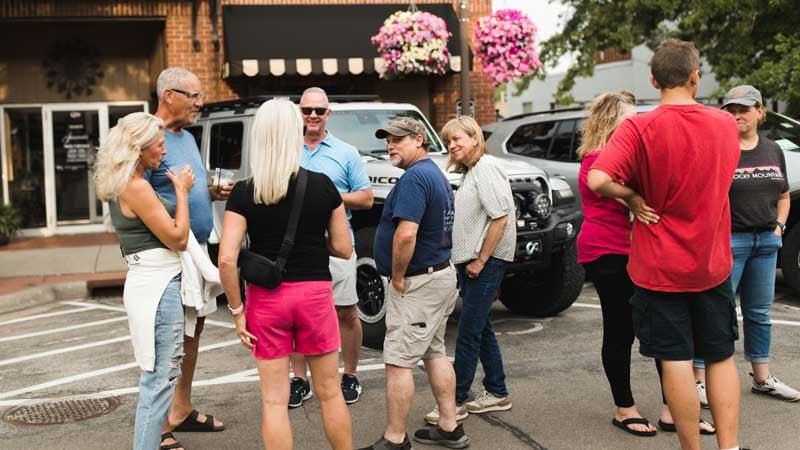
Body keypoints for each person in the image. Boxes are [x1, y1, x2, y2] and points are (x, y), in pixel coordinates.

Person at [587, 38, 744, 450]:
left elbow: (597, 179)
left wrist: (633, 198)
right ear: (695, 76)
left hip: (658, 268)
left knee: (675, 358)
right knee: (720, 356)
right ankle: (728, 446)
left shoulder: (639, 127)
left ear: (654, 79)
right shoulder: (725, 123)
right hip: (712, 262)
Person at [218, 99, 353, 450]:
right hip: (314, 294)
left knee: (275, 401)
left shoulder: (245, 192)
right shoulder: (323, 186)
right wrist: (309, 240)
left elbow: (227, 258)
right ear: (296, 133)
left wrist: (236, 311)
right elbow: (344, 248)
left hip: (267, 299)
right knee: (329, 391)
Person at [359, 117, 468, 450]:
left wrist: (397, 276)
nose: (391, 144)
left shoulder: (415, 179)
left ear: (419, 140)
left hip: (420, 281)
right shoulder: (432, 173)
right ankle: (450, 428)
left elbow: (407, 233)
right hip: (439, 276)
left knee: (397, 361)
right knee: (434, 352)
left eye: (398, 139)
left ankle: (395, 438)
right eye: (388, 139)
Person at [691, 85, 799, 402]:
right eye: (732, 110)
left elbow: (783, 194)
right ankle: (699, 381)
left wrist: (779, 227)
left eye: (745, 109)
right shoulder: (718, 148)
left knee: (758, 313)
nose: (738, 115)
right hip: (729, 241)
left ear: (760, 112)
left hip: (766, 242)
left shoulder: (772, 149)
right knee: (716, 312)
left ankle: (761, 378)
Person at [94, 112, 194, 450]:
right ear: (139, 148)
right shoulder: (136, 187)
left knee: (158, 376)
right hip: (157, 285)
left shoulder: (124, 183)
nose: (164, 152)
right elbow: (178, 239)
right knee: (160, 378)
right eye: (160, 145)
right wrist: (181, 193)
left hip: (148, 281)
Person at [149, 67, 229, 450]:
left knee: (192, 334)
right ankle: (160, 426)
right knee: (168, 341)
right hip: (168, 254)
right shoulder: (146, 137)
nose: (201, 103)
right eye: (194, 96)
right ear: (169, 95)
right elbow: (137, 197)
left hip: (196, 250)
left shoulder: (187, 137)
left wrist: (212, 193)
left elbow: (185, 186)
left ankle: (181, 409)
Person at [576, 91, 660, 437]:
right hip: (607, 252)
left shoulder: (629, 154)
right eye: (632, 115)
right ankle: (624, 408)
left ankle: (674, 408)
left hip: (637, 251)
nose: (638, 120)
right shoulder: (597, 159)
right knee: (621, 328)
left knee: (660, 329)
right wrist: (634, 196)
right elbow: (628, 186)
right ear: (611, 120)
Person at [424, 116, 515, 426]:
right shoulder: (473, 171)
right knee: (480, 326)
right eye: (448, 141)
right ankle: (497, 392)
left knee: (469, 333)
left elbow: (500, 218)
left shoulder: (486, 168)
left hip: (484, 263)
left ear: (475, 138)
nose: (452, 145)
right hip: (474, 262)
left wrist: (480, 260)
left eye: (457, 139)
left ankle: (456, 400)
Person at [289, 86, 374, 407]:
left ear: (328, 114)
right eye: (306, 110)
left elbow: (365, 198)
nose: (312, 115)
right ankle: (300, 380)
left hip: (338, 245)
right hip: (296, 247)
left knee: (346, 312)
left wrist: (327, 197)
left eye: (318, 111)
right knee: (298, 316)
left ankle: (349, 374)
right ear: (299, 112)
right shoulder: (287, 149)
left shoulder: (346, 152)